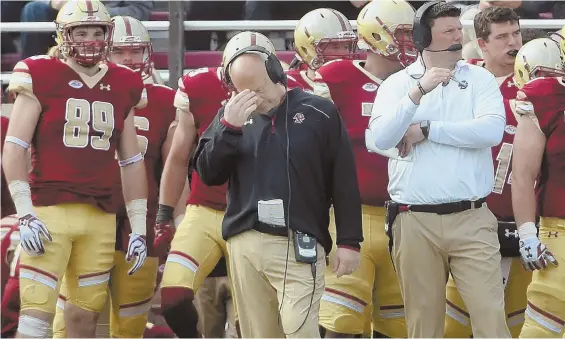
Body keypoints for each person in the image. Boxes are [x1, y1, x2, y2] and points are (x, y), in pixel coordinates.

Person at [193, 31, 363, 338]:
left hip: (299, 239)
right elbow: (207, 173)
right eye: (244, 91)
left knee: (301, 330)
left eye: (258, 88)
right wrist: (227, 129)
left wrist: (350, 241)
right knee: (259, 334)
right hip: (246, 240)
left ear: (275, 71)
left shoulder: (318, 111)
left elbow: (344, 178)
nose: (254, 98)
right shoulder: (229, 117)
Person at [2, 0, 149, 337]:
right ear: (63, 35)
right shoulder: (39, 72)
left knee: (84, 316)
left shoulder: (124, 82)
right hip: (48, 211)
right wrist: (24, 212)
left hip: (100, 215)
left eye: (97, 32)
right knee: (35, 317)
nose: (90, 40)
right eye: (80, 32)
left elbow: (130, 160)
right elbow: (14, 148)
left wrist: (139, 226)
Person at [368, 1, 510, 337]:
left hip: (473, 218)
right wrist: (418, 93)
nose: (459, 36)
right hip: (414, 220)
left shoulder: (481, 79)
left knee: (491, 319)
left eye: (459, 29)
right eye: (448, 30)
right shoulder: (398, 84)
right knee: (423, 324)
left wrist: (428, 129)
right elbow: (380, 139)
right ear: (422, 38)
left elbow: (490, 132)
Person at [50, 16, 182, 338]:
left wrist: (175, 220)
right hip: (89, 216)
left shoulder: (165, 100)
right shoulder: (72, 90)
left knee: (130, 325)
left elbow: (174, 168)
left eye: (136, 51)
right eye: (121, 51)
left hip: (140, 221)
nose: (129, 59)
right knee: (70, 319)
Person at [314, 0, 416, 338]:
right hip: (350, 218)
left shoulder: (418, 81)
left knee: (398, 326)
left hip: (407, 218)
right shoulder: (335, 78)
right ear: (376, 33)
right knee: (341, 325)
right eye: (403, 33)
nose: (410, 41)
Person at [443, 6, 531, 337]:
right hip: (465, 219)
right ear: (482, 44)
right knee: (454, 321)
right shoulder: (460, 80)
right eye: (503, 37)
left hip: (516, 216)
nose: (513, 43)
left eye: (516, 34)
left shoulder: (533, 85)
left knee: (515, 323)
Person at [154, 32, 242, 336]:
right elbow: (178, 158)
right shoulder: (200, 88)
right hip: (204, 210)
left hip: (253, 216)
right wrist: (165, 214)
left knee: (247, 324)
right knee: (174, 300)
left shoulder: (285, 95)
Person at [510, 35, 564, 339]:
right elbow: (522, 174)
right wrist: (528, 234)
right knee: (542, 330)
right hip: (559, 233)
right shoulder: (545, 96)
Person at [288, 8, 358, 93]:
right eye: (335, 46)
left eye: (346, 46)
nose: (344, 53)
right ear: (307, 50)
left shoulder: (359, 83)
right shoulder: (288, 85)